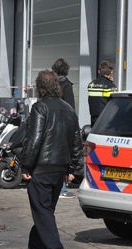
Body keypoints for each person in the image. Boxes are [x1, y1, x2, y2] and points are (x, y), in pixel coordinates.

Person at [20, 70, 82, 249]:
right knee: (45, 210)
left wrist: (26, 165)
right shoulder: (69, 109)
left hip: (42, 168)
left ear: (40, 87)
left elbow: (34, 139)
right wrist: (71, 169)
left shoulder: (40, 108)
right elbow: (76, 143)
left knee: (43, 211)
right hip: (59, 170)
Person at [51, 58, 76, 199]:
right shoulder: (66, 85)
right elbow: (70, 107)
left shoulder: (51, 85)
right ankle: (61, 189)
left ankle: (56, 187)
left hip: (50, 124)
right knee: (62, 157)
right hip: (62, 125)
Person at [88, 61, 117, 127]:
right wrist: (111, 83)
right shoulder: (110, 86)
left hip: (93, 118)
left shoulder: (91, 85)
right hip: (106, 119)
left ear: (99, 71)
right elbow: (115, 103)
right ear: (111, 72)